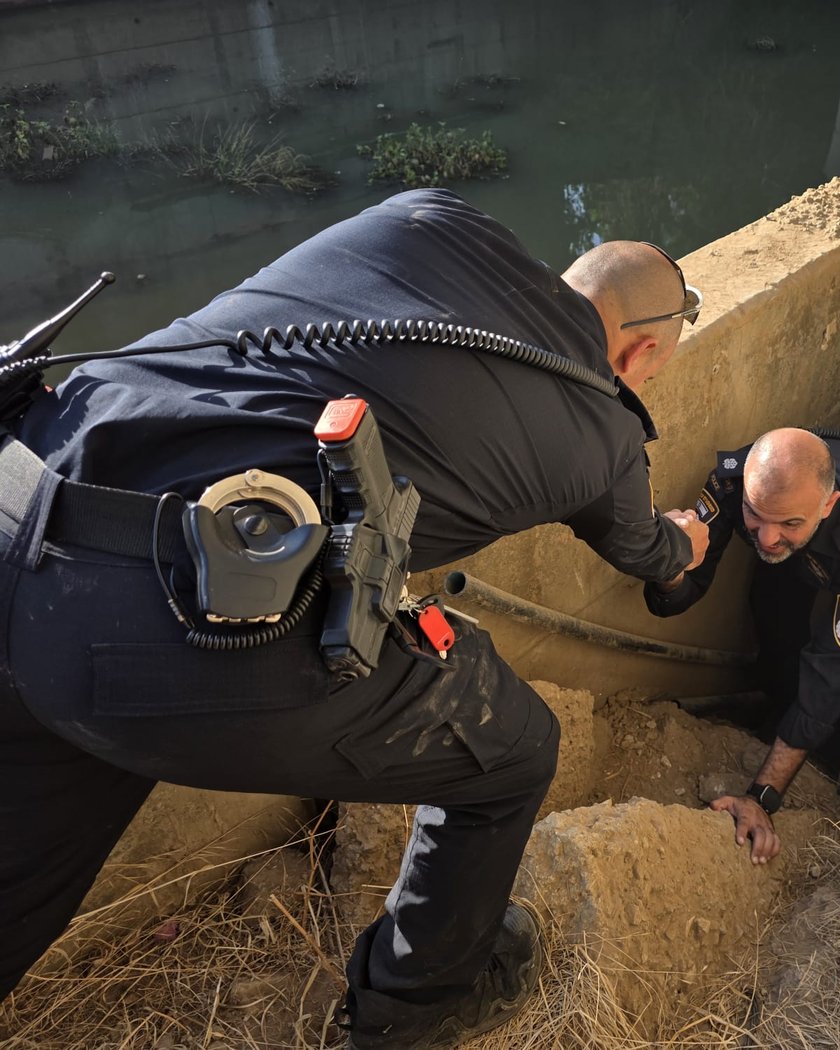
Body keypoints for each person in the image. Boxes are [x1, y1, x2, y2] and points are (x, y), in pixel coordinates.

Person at [0, 188, 710, 1048]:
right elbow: (646, 550)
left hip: (24, 497)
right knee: (517, 750)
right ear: (637, 354)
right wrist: (688, 540)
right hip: (170, 622)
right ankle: (410, 1011)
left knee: (31, 854)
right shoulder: (600, 434)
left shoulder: (425, 215)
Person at [644, 427, 840, 863]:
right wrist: (670, 560)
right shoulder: (732, 481)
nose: (767, 537)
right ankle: (776, 707)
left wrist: (763, 795)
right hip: (804, 553)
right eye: (755, 515)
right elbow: (681, 592)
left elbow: (832, 664)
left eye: (788, 522)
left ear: (826, 506)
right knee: (772, 611)